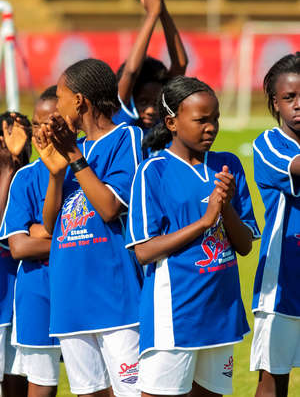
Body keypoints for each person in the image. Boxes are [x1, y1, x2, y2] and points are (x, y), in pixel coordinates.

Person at [126, 76, 260, 397]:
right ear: (172, 122)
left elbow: (243, 246)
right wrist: (203, 222)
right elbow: (143, 251)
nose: (211, 127)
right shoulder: (153, 172)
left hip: (221, 313)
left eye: (215, 119)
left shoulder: (228, 166)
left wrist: (224, 207)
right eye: (201, 120)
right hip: (175, 316)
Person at [34, 58, 143, 397]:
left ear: (79, 101)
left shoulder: (126, 137)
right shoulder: (68, 150)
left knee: (132, 392)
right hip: (69, 295)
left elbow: (110, 208)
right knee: (90, 393)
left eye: (62, 97)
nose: (57, 105)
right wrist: (55, 172)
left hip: (115, 295)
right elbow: (51, 226)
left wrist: (74, 157)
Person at [0, 87, 62, 397]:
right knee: (32, 379)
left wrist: (41, 231)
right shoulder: (23, 178)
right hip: (31, 293)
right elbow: (19, 246)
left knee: (94, 380)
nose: (39, 132)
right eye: (35, 125)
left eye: (46, 123)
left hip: (83, 291)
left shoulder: (86, 173)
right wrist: (80, 240)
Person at [250, 52, 300, 397]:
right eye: (289, 97)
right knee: (272, 383)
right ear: (275, 102)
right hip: (283, 283)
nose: (298, 104)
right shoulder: (269, 145)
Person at [114, 0, 188, 132]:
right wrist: (152, 14)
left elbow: (180, 65)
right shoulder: (121, 116)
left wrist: (162, 9)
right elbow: (131, 73)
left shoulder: (162, 121)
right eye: (143, 102)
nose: (150, 110)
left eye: (155, 103)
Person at [0, 112, 31, 397]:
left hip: (22, 305)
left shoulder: (34, 178)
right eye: (10, 137)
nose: (19, 145)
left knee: (19, 382)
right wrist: (8, 169)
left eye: (26, 138)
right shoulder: (11, 176)